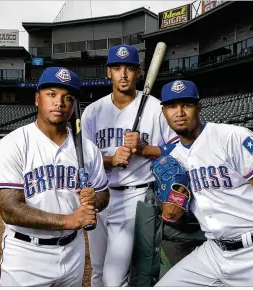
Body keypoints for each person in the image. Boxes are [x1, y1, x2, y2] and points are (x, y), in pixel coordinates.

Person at [152, 80, 253, 287]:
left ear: (199, 108)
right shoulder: (174, 155)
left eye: (187, 104)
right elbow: (183, 210)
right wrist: (173, 211)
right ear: (164, 112)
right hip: (214, 251)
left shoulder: (231, 137)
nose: (179, 112)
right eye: (172, 106)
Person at [0, 67, 110, 287]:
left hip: (73, 251)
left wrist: (95, 200)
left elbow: (103, 195)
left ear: (73, 105)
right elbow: (9, 209)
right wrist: (68, 220)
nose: (59, 102)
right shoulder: (13, 144)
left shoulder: (88, 149)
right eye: (51, 94)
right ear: (37, 99)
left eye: (67, 97)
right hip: (26, 256)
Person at [81, 44, 179, 287]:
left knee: (114, 278)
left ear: (139, 73)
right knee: (98, 270)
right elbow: (81, 160)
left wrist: (144, 149)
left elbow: (178, 149)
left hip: (133, 198)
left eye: (129, 68)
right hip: (99, 196)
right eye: (116, 68)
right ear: (108, 72)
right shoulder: (93, 112)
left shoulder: (157, 109)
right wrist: (110, 160)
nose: (123, 74)